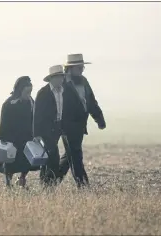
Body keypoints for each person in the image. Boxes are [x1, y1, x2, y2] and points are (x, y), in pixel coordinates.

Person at [57, 53, 106, 188]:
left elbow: (91, 101)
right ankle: (83, 185)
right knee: (76, 155)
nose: (82, 70)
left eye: (82, 67)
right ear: (70, 68)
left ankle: (51, 183)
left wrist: (99, 119)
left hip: (80, 125)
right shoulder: (62, 83)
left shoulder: (83, 81)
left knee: (69, 156)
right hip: (66, 126)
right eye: (79, 68)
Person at [0, 76, 39, 188]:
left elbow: (35, 118)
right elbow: (4, 121)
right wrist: (3, 137)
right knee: (10, 162)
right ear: (20, 89)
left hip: (27, 137)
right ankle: (8, 184)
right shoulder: (9, 103)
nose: (28, 94)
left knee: (26, 162)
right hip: (12, 138)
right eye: (27, 91)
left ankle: (22, 180)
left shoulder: (31, 102)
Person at [33, 65, 67, 188]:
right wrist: (36, 133)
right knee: (53, 155)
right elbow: (36, 114)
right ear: (52, 78)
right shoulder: (43, 93)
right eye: (58, 77)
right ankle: (49, 184)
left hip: (59, 127)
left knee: (53, 156)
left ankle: (46, 181)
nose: (61, 80)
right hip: (46, 129)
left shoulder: (64, 90)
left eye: (62, 77)